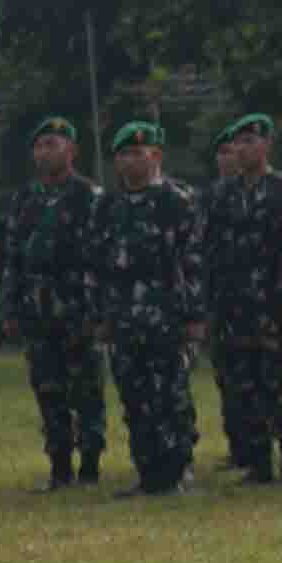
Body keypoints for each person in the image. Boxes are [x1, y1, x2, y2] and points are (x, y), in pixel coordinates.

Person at [0, 114, 111, 487]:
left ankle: (90, 464)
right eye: (40, 146)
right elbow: (12, 257)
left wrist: (99, 310)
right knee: (48, 389)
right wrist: (10, 306)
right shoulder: (25, 199)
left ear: (71, 150)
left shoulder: (90, 197)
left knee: (86, 389)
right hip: (37, 309)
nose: (45, 152)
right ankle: (59, 466)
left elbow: (103, 258)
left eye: (53, 144)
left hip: (79, 307)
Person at [97, 121, 207, 492]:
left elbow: (193, 262)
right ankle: (147, 471)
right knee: (134, 396)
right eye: (123, 154)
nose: (129, 161)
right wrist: (102, 315)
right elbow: (98, 263)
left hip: (167, 317)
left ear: (156, 156)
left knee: (170, 395)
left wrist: (194, 316)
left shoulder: (176, 201)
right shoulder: (108, 206)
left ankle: (177, 469)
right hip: (124, 319)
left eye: (137, 153)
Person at [201, 114, 282, 481]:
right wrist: (211, 305)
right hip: (235, 307)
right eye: (238, 143)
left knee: (281, 386)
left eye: (250, 141)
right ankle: (258, 464)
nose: (243, 149)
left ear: (266, 145)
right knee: (244, 388)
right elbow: (211, 253)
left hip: (275, 306)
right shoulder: (221, 195)